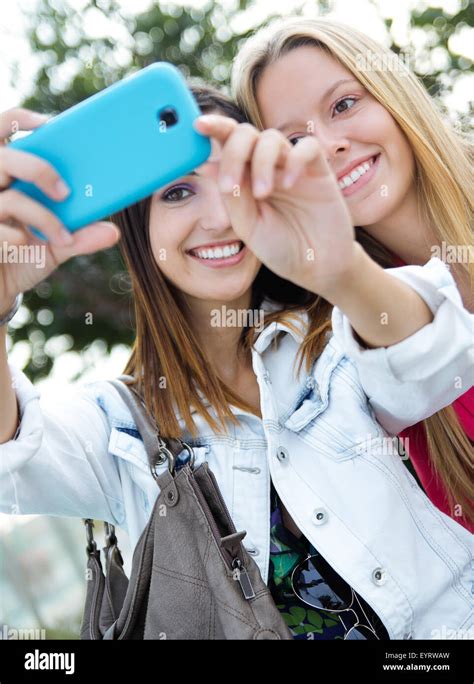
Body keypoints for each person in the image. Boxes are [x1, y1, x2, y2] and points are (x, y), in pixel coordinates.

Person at [0, 84, 472, 640]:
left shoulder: (331, 338)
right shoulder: (117, 426)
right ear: (137, 228)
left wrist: (338, 265)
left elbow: (436, 363)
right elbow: (13, 460)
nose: (220, 217)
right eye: (178, 192)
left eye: (236, 183)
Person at [230, 16, 474, 532]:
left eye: (344, 104)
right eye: (294, 140)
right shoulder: (345, 344)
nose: (325, 146)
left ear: (393, 95)